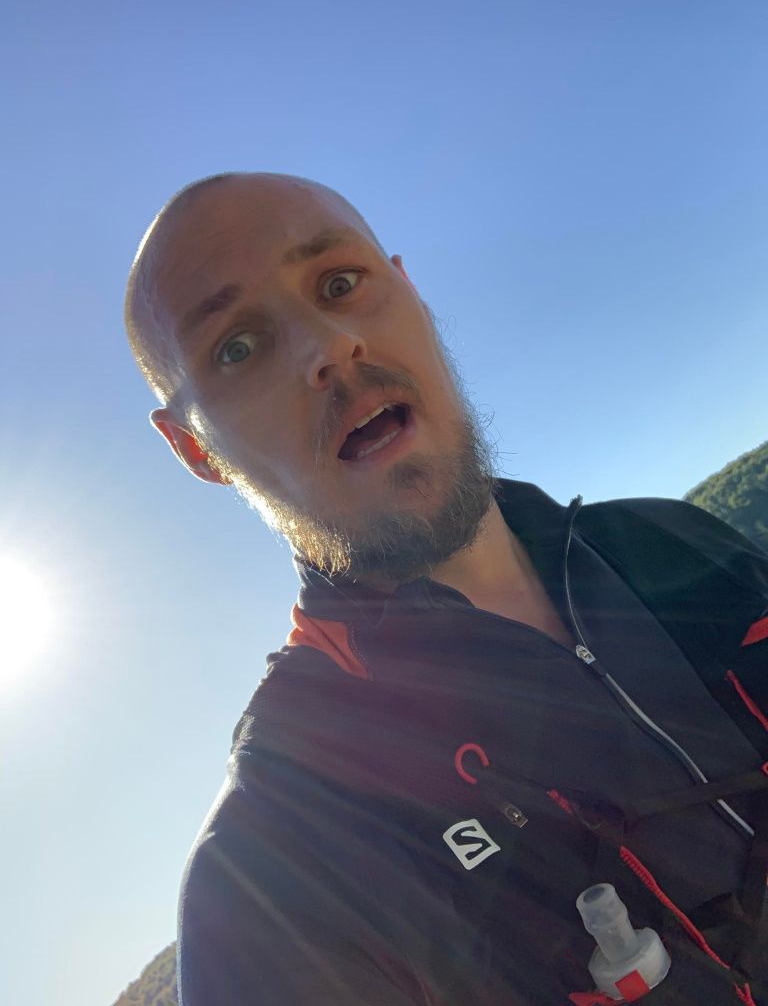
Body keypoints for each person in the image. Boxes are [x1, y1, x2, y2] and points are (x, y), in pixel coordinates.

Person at [124, 173, 768, 1005]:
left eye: (340, 283)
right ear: (196, 449)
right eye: (237, 348)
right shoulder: (280, 877)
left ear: (414, 297)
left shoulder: (671, 542)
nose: (329, 347)